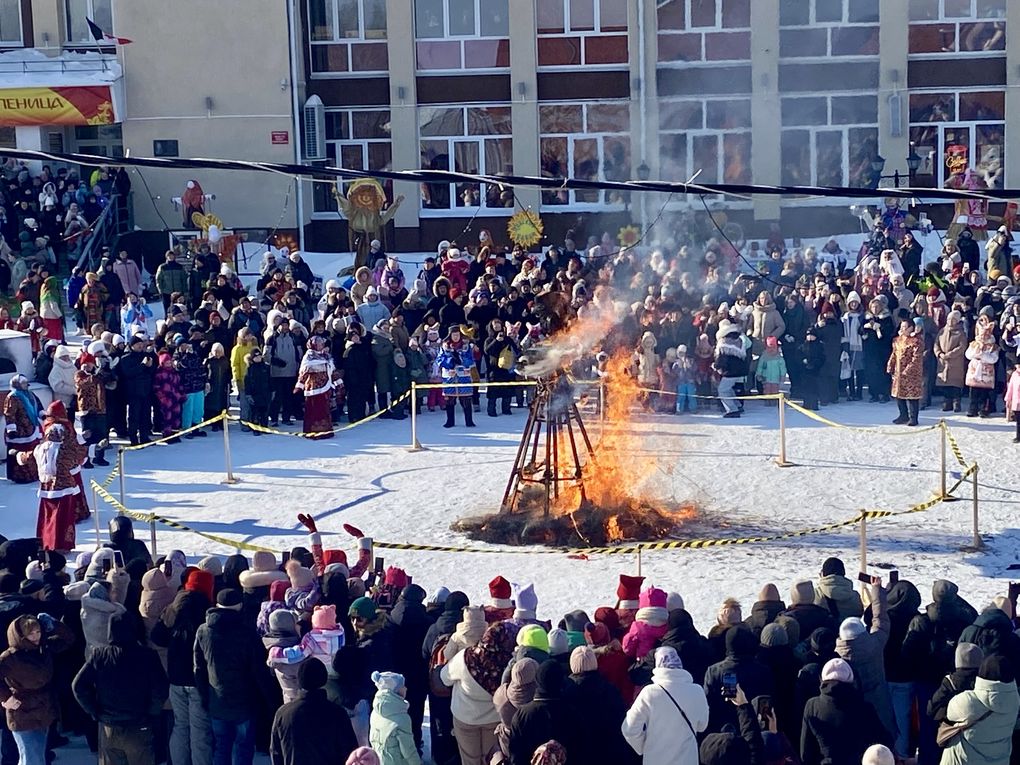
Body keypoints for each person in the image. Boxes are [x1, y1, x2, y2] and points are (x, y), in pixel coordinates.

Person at [72, 613, 169, 765]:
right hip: (139, 725)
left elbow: (78, 686)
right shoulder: (148, 656)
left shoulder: (99, 655)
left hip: (109, 727)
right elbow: (161, 688)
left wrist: (94, 710)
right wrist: (153, 711)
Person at [194, 589, 269, 765]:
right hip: (245, 702)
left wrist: (205, 696)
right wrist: (268, 699)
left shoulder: (204, 630)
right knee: (243, 748)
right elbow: (259, 670)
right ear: (240, 606)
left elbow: (199, 668)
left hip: (217, 700)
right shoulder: (247, 633)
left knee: (221, 747)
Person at [150, 569, 215, 765]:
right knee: (200, 729)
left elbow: (157, 637)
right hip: (198, 679)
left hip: (175, 677)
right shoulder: (206, 611)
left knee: (180, 726)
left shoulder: (173, 607)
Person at [0, 613, 75, 765]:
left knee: (34, 755)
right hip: (23, 713)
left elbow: (68, 639)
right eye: (31, 634)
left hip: (44, 709)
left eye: (38, 632)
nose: (35, 637)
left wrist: (54, 624)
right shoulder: (10, 657)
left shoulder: (44, 647)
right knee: (32, 757)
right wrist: (6, 698)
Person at [441, 621, 516, 765]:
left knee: (470, 759)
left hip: (465, 717)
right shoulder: (509, 663)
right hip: (494, 718)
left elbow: (445, 678)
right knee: (491, 759)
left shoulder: (466, 656)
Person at [622, 646, 709, 765]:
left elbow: (629, 728)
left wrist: (643, 747)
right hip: (688, 760)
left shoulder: (650, 693)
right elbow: (702, 726)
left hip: (656, 760)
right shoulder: (697, 691)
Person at [800, 658, 894, 765]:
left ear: (823, 679)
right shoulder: (864, 708)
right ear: (850, 678)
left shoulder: (812, 706)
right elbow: (884, 740)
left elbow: (805, 753)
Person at [270, 660, 358, 765]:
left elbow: (276, 753)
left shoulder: (283, 714)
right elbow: (351, 754)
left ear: (299, 680)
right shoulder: (337, 714)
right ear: (324, 678)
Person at [17, 421, 84, 554]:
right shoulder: (66, 451)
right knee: (63, 518)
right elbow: (79, 458)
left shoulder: (40, 449)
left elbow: (26, 457)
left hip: (46, 490)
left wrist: (17, 454)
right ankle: (62, 545)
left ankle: (46, 543)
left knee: (48, 518)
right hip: (65, 490)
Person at [940, 656, 1020, 765]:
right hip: (999, 760)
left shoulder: (969, 701)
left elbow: (950, 712)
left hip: (964, 759)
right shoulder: (1014, 700)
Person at [368, 671, 420, 765]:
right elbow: (408, 749)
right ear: (395, 690)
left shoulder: (376, 711)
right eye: (402, 686)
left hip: (380, 760)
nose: (406, 688)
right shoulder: (401, 718)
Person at [437, 326, 477, 428]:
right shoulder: (444, 346)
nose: (456, 337)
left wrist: (462, 360)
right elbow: (439, 359)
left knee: (466, 399)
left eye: (457, 335)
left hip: (463, 375)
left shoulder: (466, 346)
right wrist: (449, 362)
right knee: (449, 400)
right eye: (453, 335)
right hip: (449, 376)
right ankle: (450, 421)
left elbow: (471, 359)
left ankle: (469, 421)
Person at [4, 375, 41, 484]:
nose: (26, 385)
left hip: (30, 429)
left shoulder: (30, 394)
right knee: (20, 453)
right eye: (23, 383)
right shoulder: (13, 397)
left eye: (26, 383)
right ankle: (20, 476)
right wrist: (11, 429)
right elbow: (9, 414)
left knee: (31, 452)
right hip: (19, 431)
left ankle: (32, 474)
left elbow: (38, 406)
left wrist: (42, 414)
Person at [888, 318, 925, 426]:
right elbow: (894, 354)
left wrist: (908, 370)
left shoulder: (917, 341)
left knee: (911, 396)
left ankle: (913, 417)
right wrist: (891, 365)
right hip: (898, 372)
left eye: (905, 327)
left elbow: (916, 358)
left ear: (911, 328)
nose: (902, 329)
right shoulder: (897, 340)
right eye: (901, 327)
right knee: (899, 394)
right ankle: (903, 415)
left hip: (911, 374)